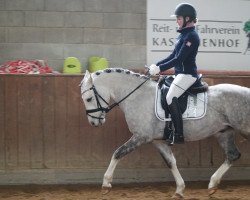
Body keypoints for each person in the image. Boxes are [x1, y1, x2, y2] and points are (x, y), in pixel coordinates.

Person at [149, 3, 200, 144]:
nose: (176, 21)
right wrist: (157, 65)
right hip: (179, 74)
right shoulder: (182, 35)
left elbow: (179, 59)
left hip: (188, 75)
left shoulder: (192, 36)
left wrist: (160, 69)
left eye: (179, 18)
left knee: (171, 97)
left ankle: (179, 134)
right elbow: (172, 55)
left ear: (187, 18)